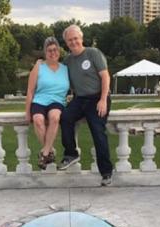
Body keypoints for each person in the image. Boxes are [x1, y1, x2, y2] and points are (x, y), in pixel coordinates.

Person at [59, 25, 113, 186]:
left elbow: (105, 77)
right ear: (66, 43)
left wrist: (103, 99)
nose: (73, 42)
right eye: (70, 40)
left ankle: (106, 172)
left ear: (81, 38)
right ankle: (71, 154)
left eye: (76, 38)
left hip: (98, 98)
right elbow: (61, 80)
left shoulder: (93, 53)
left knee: (97, 131)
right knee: (65, 118)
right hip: (80, 99)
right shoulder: (67, 61)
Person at [25, 37, 69, 170]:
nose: (53, 53)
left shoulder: (66, 69)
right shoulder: (38, 67)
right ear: (45, 52)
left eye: (55, 50)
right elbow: (30, 90)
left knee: (55, 117)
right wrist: (27, 112)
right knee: (38, 120)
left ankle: (44, 153)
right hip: (40, 100)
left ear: (59, 51)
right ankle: (49, 151)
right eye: (49, 50)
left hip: (57, 101)